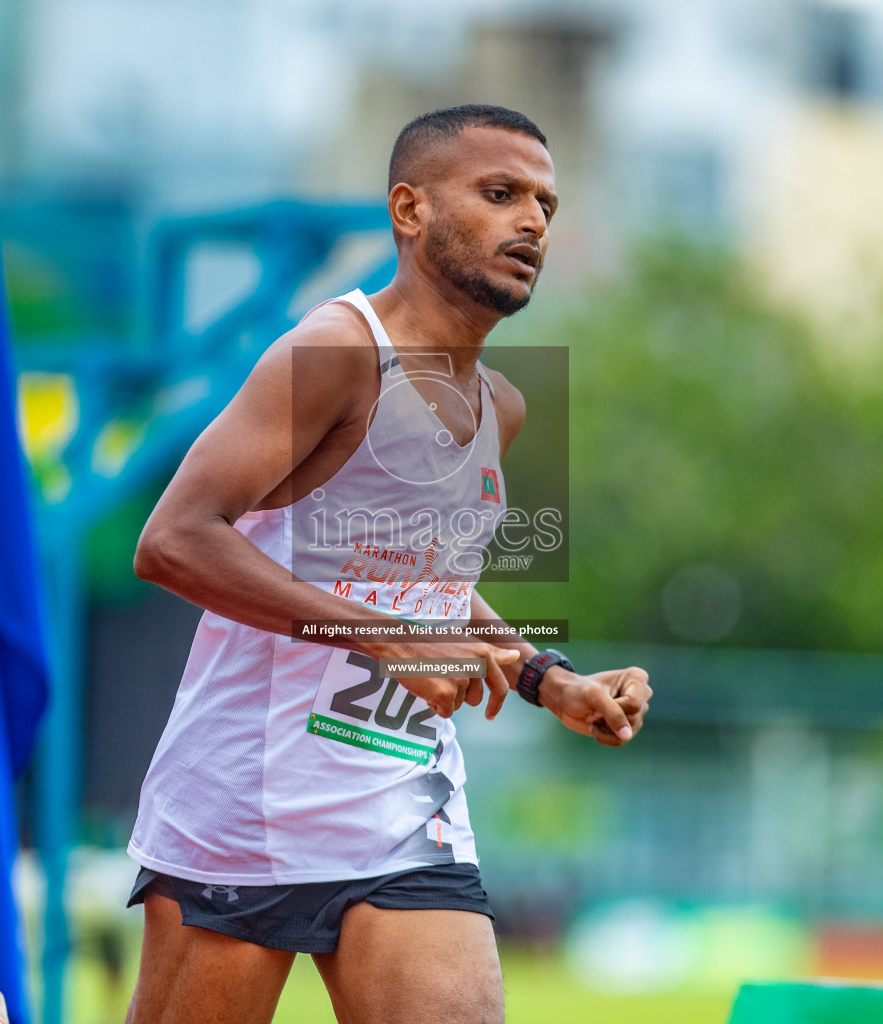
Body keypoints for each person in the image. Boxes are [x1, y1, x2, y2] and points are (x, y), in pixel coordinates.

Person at [125, 103, 651, 1024]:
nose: (532, 222)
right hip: (249, 796)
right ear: (409, 209)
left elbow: (429, 581)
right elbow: (173, 541)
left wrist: (544, 676)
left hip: (400, 796)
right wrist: (388, 640)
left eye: (546, 206)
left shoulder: (505, 407)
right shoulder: (336, 352)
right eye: (500, 194)